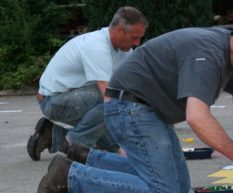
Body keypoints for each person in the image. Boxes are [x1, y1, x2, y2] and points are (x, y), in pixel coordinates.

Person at [36, 25, 233, 193]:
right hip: (128, 106)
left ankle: (85, 157)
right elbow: (197, 117)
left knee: (180, 186)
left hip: (147, 111)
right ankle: (71, 177)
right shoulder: (209, 54)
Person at [27, 6, 148, 161]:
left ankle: (52, 134)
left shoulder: (125, 51)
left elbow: (132, 88)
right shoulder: (96, 47)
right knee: (110, 98)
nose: (137, 43)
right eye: (134, 37)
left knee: (112, 147)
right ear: (119, 30)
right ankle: (76, 146)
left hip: (78, 99)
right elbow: (109, 97)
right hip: (52, 101)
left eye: (140, 38)